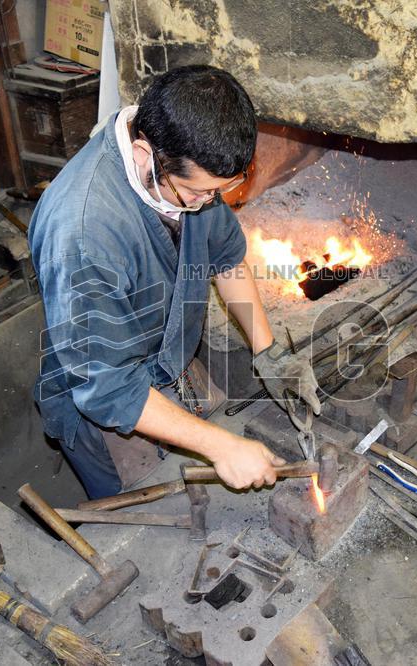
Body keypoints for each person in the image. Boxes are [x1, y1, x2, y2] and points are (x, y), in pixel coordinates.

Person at [29, 65, 320, 499]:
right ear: (147, 155)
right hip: (105, 401)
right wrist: (220, 446)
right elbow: (108, 388)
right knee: (146, 530)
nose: (207, 202)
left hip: (166, 363)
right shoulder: (84, 232)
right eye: (196, 193)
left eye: (218, 191)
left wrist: (270, 353)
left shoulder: (188, 171)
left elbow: (226, 258)